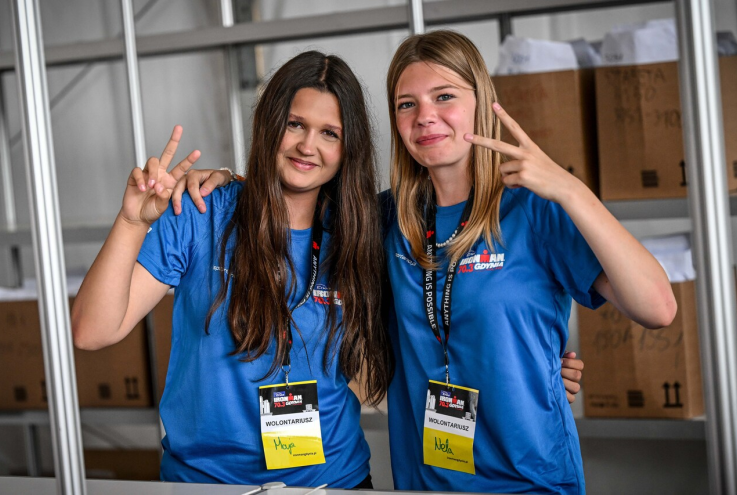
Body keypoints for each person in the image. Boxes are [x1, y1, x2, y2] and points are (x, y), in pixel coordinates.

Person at [179, 30, 676, 494]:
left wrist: (571, 189)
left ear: (481, 102)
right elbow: (296, 196)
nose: (425, 117)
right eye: (407, 104)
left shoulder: (535, 209)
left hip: (529, 479)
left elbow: (657, 308)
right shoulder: (383, 219)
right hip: (425, 484)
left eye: (444, 96)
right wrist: (229, 180)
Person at [71, 51, 392, 489]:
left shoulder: (358, 233)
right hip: (207, 482)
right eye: (295, 124)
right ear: (269, 123)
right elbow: (91, 332)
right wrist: (132, 222)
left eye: (329, 133)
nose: (307, 146)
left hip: (332, 480)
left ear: (348, 147)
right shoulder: (201, 212)